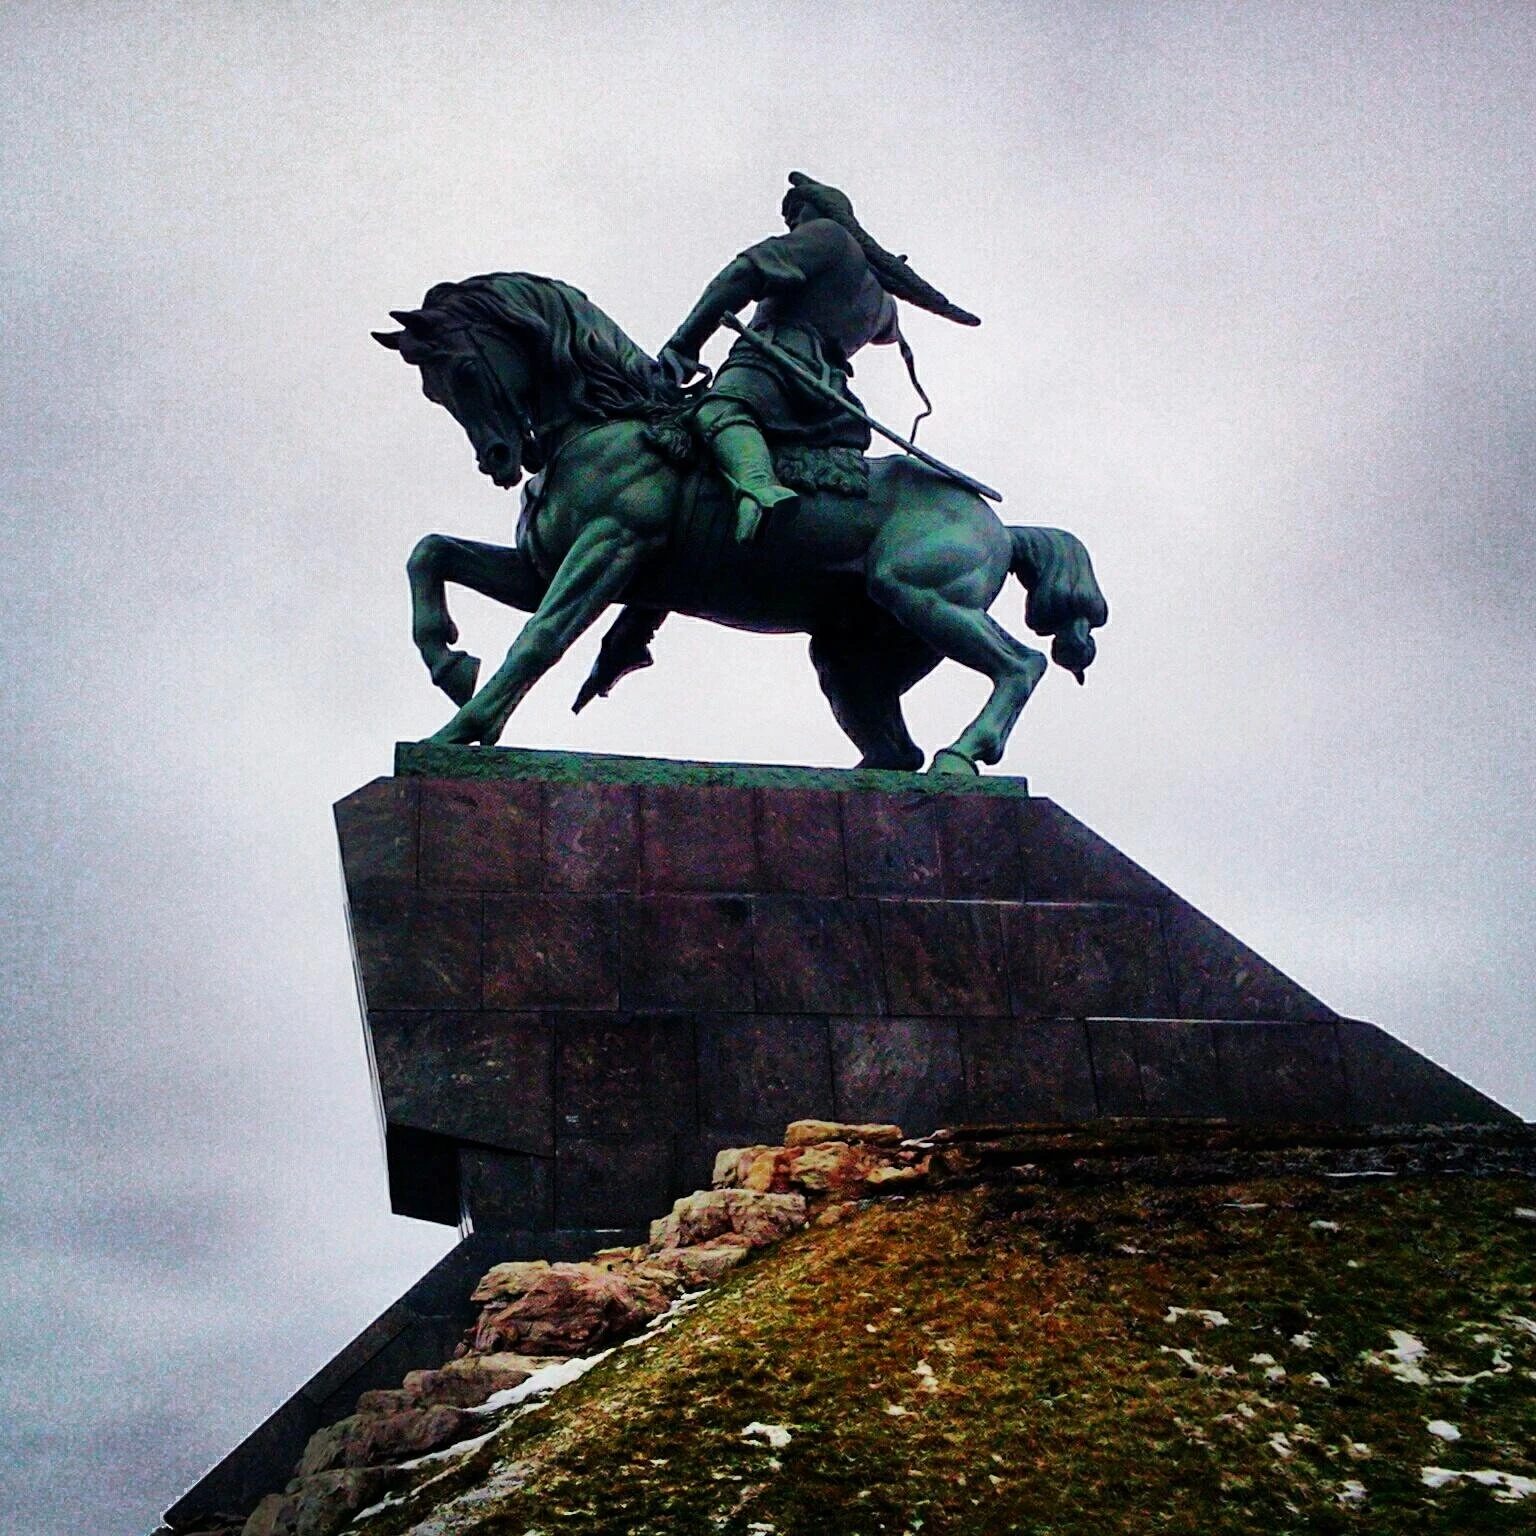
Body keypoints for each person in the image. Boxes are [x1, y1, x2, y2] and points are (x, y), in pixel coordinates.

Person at [658, 171, 980, 541]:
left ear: (821, 210)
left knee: (717, 412)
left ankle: (760, 490)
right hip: (833, 398)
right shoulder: (882, 296)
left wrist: (685, 344)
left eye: (795, 212)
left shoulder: (827, 235)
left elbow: (743, 274)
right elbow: (886, 332)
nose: (791, 222)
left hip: (774, 367)